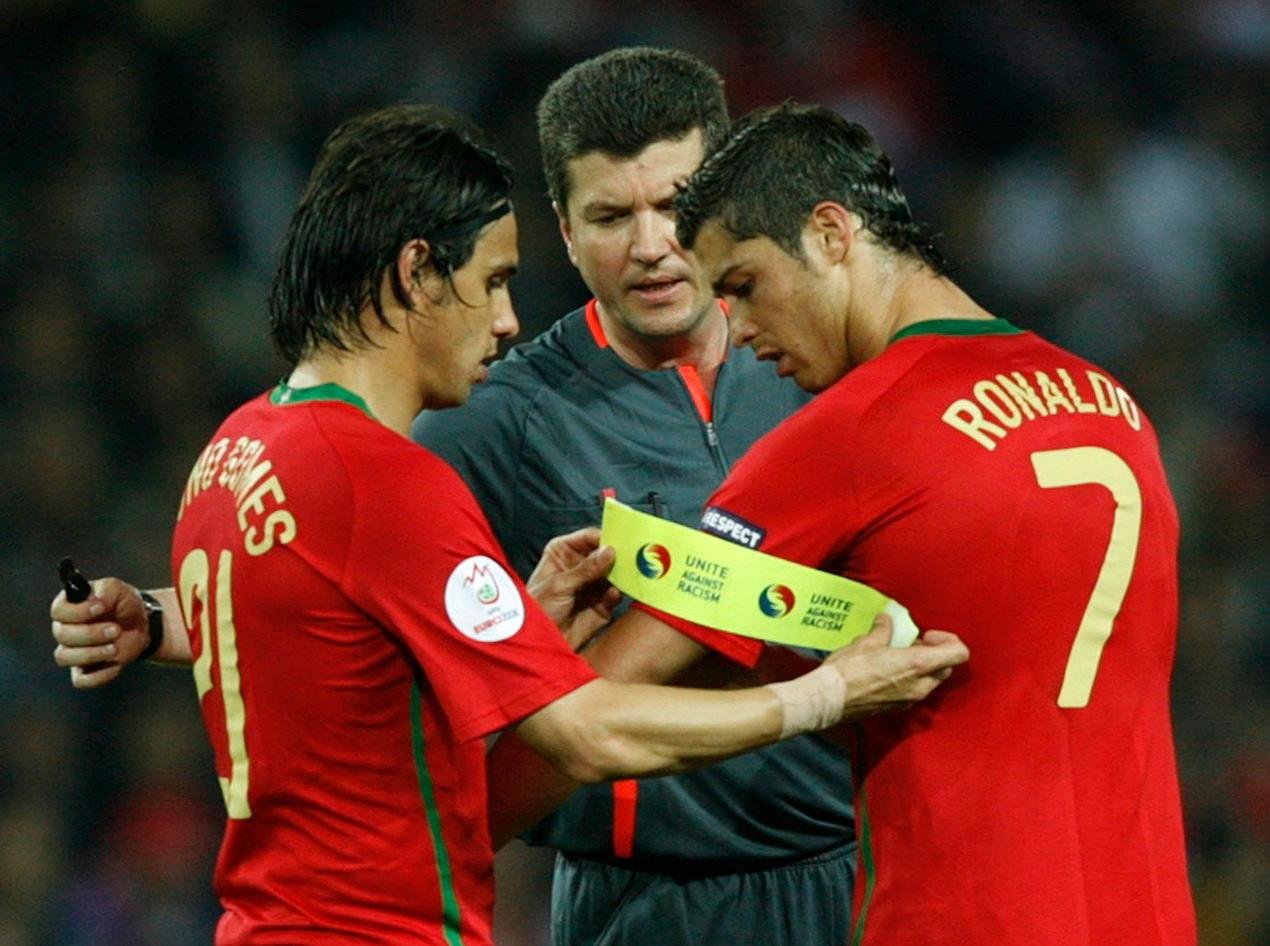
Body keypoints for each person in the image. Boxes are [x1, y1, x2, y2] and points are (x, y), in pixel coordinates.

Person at [49, 102, 968, 945]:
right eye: (490, 283)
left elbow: (319, 626)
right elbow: (586, 734)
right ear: (416, 274)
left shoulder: (237, 447)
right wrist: (828, 695)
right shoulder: (387, 479)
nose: (505, 320)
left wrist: (520, 621)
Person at [630, 101, 1191, 944]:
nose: (736, 330)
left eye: (743, 286)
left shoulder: (855, 431)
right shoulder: (1116, 409)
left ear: (830, 233)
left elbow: (606, 695)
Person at [413, 47, 862, 946]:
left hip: (858, 880)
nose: (652, 245)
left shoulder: (826, 368)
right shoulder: (500, 422)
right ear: (566, 230)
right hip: (645, 907)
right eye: (612, 215)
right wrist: (162, 622)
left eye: (675, 205)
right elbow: (358, 590)